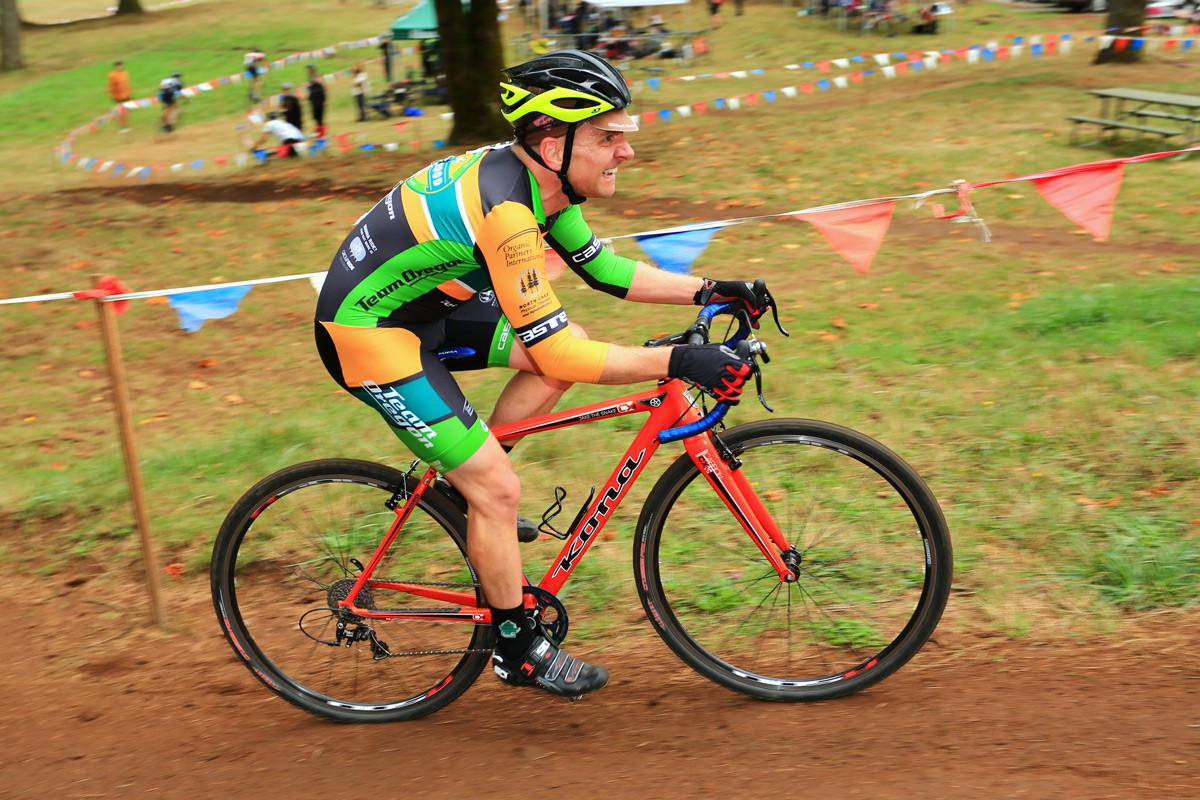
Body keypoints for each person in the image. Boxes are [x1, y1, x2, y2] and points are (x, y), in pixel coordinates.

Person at [313, 50, 769, 700]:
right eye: (608, 137)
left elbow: (603, 270)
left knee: (562, 351)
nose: (626, 151)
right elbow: (553, 356)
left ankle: (470, 489)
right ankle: (515, 648)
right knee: (500, 488)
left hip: (429, 308)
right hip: (368, 332)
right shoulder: (508, 213)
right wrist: (679, 360)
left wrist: (711, 290)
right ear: (553, 144)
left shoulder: (541, 185)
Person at [107, 60, 132, 133]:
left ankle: (126, 126)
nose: (121, 67)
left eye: (122, 66)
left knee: (126, 112)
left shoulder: (125, 73)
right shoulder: (112, 75)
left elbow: (127, 85)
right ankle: (120, 127)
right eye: (120, 66)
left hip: (126, 96)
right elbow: (111, 87)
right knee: (120, 112)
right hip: (118, 97)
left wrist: (129, 94)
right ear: (116, 67)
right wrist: (113, 96)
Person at [306, 65, 327, 138]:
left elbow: (317, 89)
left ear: (311, 70)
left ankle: (321, 133)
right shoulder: (312, 78)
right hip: (315, 100)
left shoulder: (315, 78)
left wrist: (309, 87)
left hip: (317, 100)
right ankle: (319, 130)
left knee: (318, 117)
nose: (307, 71)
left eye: (308, 70)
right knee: (316, 117)